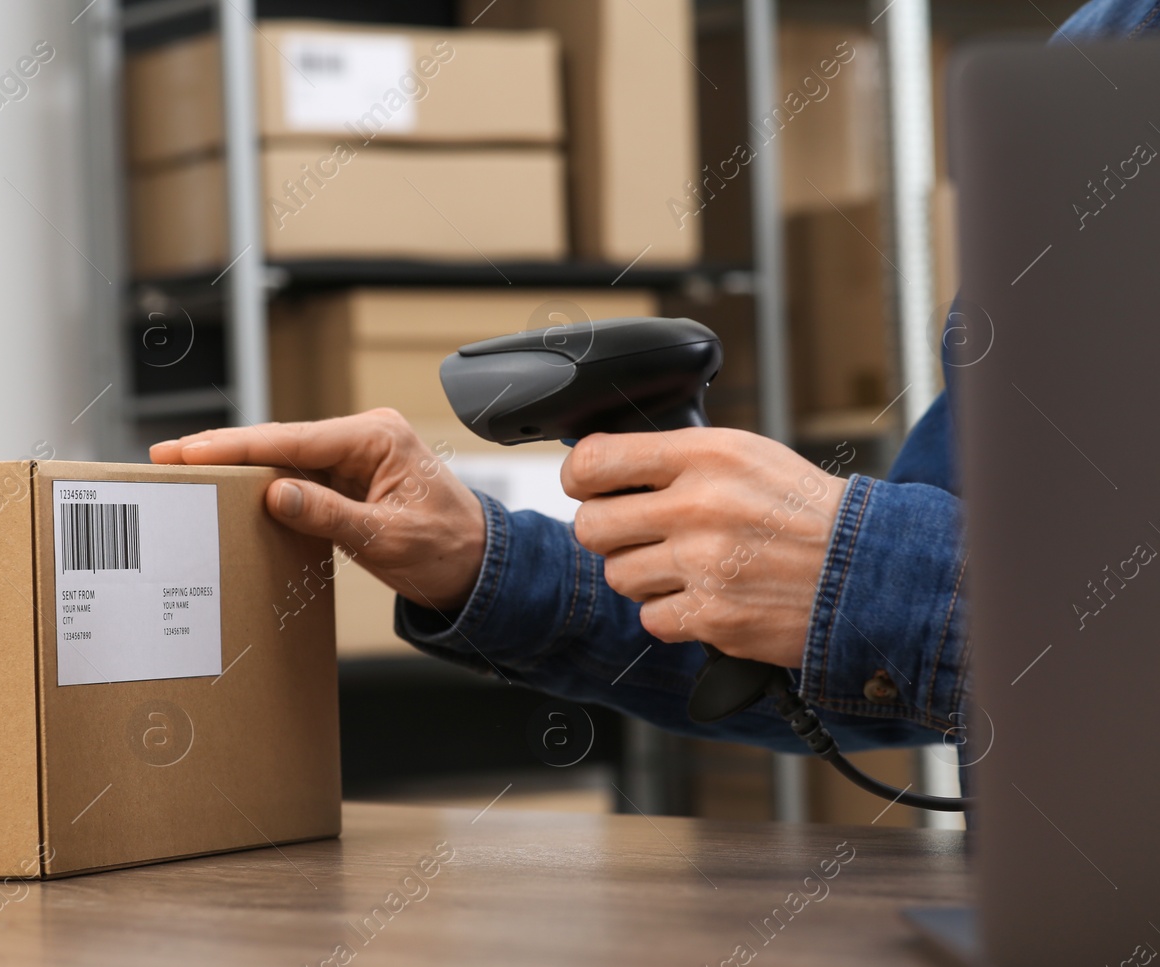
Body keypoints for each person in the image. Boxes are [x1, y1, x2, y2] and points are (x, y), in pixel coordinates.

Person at [151, 0, 1150, 763]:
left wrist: (866, 568)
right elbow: (879, 664)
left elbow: (916, 598)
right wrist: (473, 557)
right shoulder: (1102, 50)